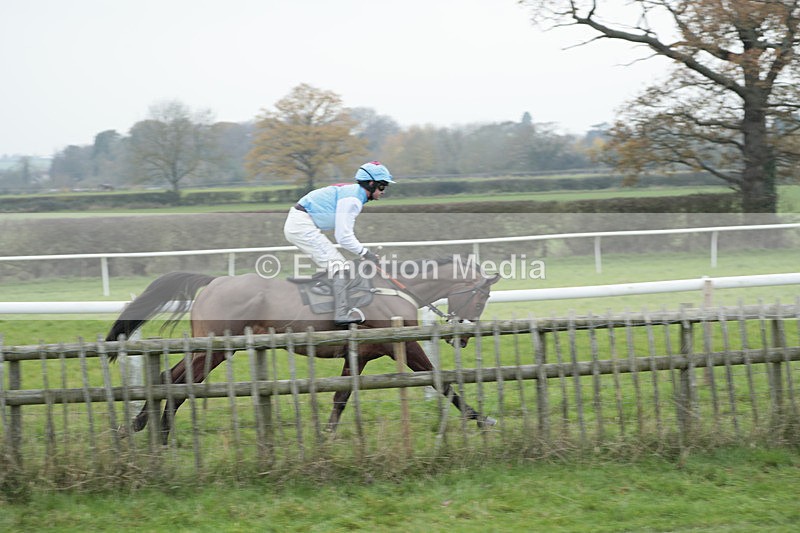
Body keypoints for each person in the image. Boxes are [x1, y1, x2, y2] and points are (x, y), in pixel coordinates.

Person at [284, 161, 394, 326]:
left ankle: (331, 297)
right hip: (301, 225)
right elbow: (343, 237)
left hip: (301, 222)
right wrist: (366, 253)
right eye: (382, 186)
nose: (383, 191)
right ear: (371, 184)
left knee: (339, 265)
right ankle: (341, 313)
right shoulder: (353, 200)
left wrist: (364, 253)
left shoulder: (355, 194)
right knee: (340, 266)